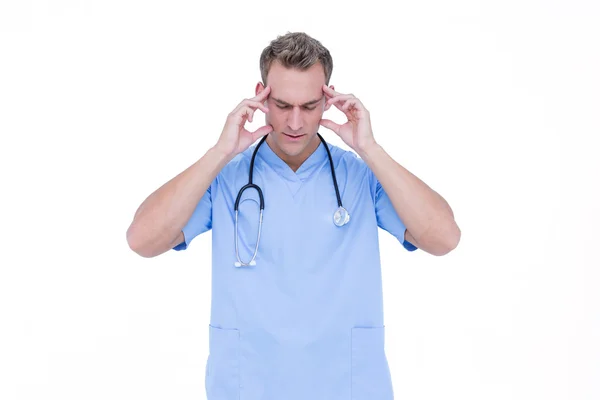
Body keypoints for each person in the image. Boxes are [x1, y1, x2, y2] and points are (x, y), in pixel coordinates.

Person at [126, 31, 460, 400]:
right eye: (283, 105)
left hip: (345, 386)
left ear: (328, 99)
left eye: (310, 106)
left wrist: (370, 148)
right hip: (250, 385)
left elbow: (443, 238)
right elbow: (142, 240)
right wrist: (219, 152)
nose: (296, 122)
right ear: (260, 96)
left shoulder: (363, 177)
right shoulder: (226, 178)